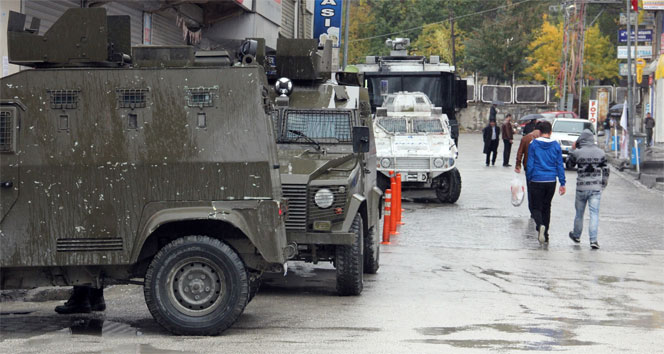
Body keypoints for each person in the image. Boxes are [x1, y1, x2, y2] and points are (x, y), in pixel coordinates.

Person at [526, 121, 566, 244]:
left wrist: (529, 177)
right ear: (550, 132)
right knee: (547, 206)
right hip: (551, 180)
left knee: (535, 207)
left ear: (540, 131)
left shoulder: (534, 144)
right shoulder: (556, 145)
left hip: (537, 179)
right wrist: (562, 182)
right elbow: (559, 164)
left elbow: (530, 163)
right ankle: (546, 233)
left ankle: (540, 225)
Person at [567, 129, 609, 250]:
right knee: (594, 214)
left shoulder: (578, 153)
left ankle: (576, 235)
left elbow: (569, 165)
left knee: (579, 213)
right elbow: (606, 169)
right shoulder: (600, 152)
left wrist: (572, 150)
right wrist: (603, 183)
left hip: (581, 187)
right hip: (595, 188)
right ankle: (593, 240)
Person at [515, 122, 542, 218]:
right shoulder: (543, 139)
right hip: (541, 168)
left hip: (528, 168)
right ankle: (539, 209)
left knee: (531, 190)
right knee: (540, 190)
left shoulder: (525, 138)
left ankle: (532, 211)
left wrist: (518, 165)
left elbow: (519, 153)